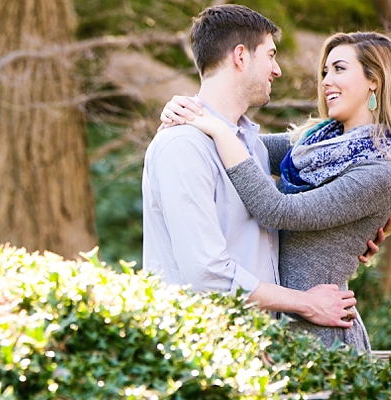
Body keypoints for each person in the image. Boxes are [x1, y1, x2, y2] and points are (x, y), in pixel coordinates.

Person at [160, 30, 391, 350]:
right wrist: (185, 115)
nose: (326, 81)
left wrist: (217, 128)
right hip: (280, 326)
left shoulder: (380, 172)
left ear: (374, 80)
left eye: (339, 69)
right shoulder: (309, 145)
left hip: (323, 335)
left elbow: (277, 210)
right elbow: (246, 150)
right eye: (324, 72)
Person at [143, 5, 363, 334]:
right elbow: (207, 274)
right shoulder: (183, 146)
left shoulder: (251, 145)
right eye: (270, 55)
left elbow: (323, 158)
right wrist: (306, 302)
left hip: (258, 350)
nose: (277, 70)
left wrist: (350, 237)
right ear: (241, 57)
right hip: (203, 353)